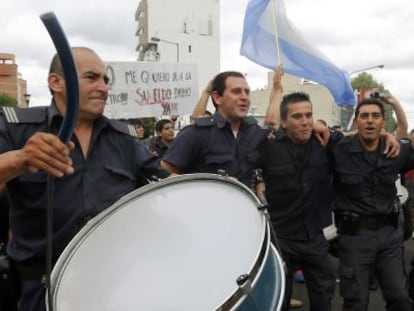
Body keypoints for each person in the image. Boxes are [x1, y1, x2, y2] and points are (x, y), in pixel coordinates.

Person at [0, 47, 172, 311]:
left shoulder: (123, 139)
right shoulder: (16, 127)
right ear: (56, 82)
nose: (103, 88)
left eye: (105, 80)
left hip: (114, 284)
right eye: (91, 77)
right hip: (40, 288)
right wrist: (20, 159)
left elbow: (169, 186)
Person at [255, 67, 339, 311]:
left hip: (316, 236)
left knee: (323, 296)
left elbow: (360, 141)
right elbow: (264, 128)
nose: (304, 121)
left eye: (308, 115)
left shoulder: (325, 143)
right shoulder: (268, 147)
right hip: (282, 238)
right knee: (279, 297)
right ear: (284, 121)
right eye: (297, 117)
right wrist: (276, 91)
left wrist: (388, 136)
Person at [333, 98, 414, 311]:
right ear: (356, 122)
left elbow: (405, 135)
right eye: (364, 116)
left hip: (389, 236)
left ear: (383, 122)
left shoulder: (396, 151)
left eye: (375, 116)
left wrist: (393, 131)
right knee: (356, 303)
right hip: (354, 238)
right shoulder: (338, 149)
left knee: (400, 297)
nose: (370, 121)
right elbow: (317, 133)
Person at [161, 71, 267, 187]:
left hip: (246, 203)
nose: (244, 97)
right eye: (236, 92)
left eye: (247, 92)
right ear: (217, 97)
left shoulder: (255, 133)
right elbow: (164, 174)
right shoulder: (195, 134)